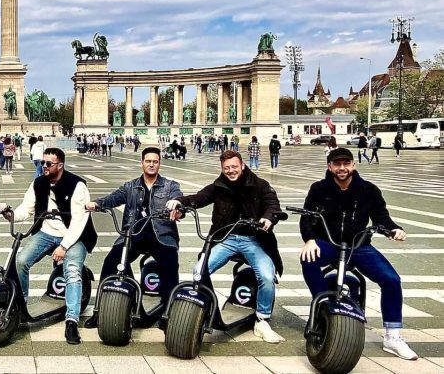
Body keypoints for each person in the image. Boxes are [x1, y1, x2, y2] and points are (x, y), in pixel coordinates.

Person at [299, 148, 417, 360]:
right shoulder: (319, 189)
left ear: (353, 165)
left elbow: (381, 217)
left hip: (358, 246)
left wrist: (394, 229)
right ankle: (322, 303)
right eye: (337, 164)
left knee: (391, 280)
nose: (342, 168)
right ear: (330, 167)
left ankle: (393, 336)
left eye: (346, 163)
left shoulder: (368, 190)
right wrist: (309, 240)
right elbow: (307, 217)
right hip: (328, 243)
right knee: (308, 258)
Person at [167, 150, 286, 343]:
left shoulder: (260, 185)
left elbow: (272, 204)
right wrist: (180, 202)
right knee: (199, 270)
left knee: (266, 275)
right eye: (226, 168)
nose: (231, 171)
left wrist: (268, 218)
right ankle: (207, 306)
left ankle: (262, 319)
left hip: (253, 239)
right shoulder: (219, 185)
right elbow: (199, 198)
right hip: (226, 238)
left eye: (234, 167)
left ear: (243, 165)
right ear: (222, 169)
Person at [83, 147, 182, 329]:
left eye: (155, 161)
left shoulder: (170, 186)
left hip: (161, 235)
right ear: (142, 163)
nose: (151, 165)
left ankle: (169, 312)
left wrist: (177, 209)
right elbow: (114, 198)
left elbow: (178, 200)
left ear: (159, 163)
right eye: (148, 161)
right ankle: (100, 311)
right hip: (133, 234)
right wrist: (97, 203)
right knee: (111, 262)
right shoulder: (130, 186)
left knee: (170, 265)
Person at [7, 148, 95, 344]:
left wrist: (63, 247)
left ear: (60, 165)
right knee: (20, 261)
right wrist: (10, 214)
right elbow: (26, 208)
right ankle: (21, 307)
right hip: (46, 233)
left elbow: (79, 222)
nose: (43, 166)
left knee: (72, 270)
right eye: (42, 163)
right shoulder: (39, 183)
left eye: (48, 164)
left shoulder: (77, 185)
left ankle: (71, 319)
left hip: (74, 235)